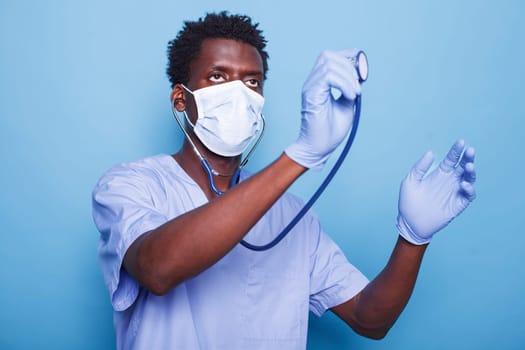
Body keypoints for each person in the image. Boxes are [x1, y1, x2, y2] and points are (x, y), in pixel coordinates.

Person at [92, 11, 477, 350]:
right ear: (181, 99)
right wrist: (301, 156)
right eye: (217, 77)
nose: (238, 94)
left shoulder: (294, 218)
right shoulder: (130, 185)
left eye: (252, 82)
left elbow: (370, 318)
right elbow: (159, 269)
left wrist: (413, 237)